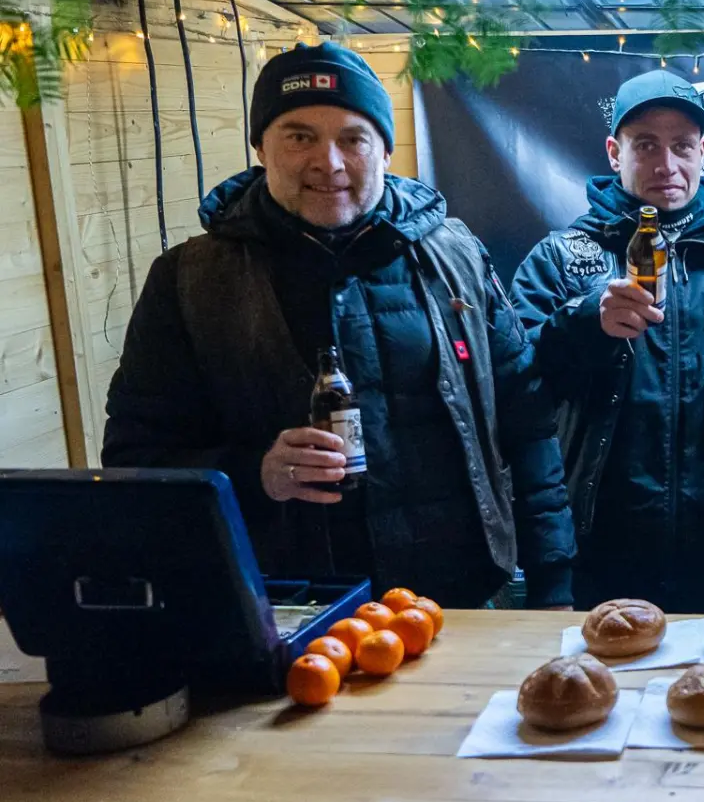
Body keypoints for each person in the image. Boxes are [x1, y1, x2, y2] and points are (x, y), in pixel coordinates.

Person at [102, 43, 576, 610]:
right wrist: (256, 473)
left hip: (458, 598)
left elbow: (526, 422)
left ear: (384, 150)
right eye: (300, 137)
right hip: (287, 606)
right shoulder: (189, 279)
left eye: (353, 138)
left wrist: (553, 581)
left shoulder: (457, 256)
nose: (329, 163)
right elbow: (137, 458)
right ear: (260, 147)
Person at [512, 70, 704, 613]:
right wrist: (585, 323)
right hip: (599, 550)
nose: (666, 165)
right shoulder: (559, 259)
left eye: (682, 146)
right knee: (600, 694)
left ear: (703, 151)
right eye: (646, 145)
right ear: (615, 152)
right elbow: (516, 390)